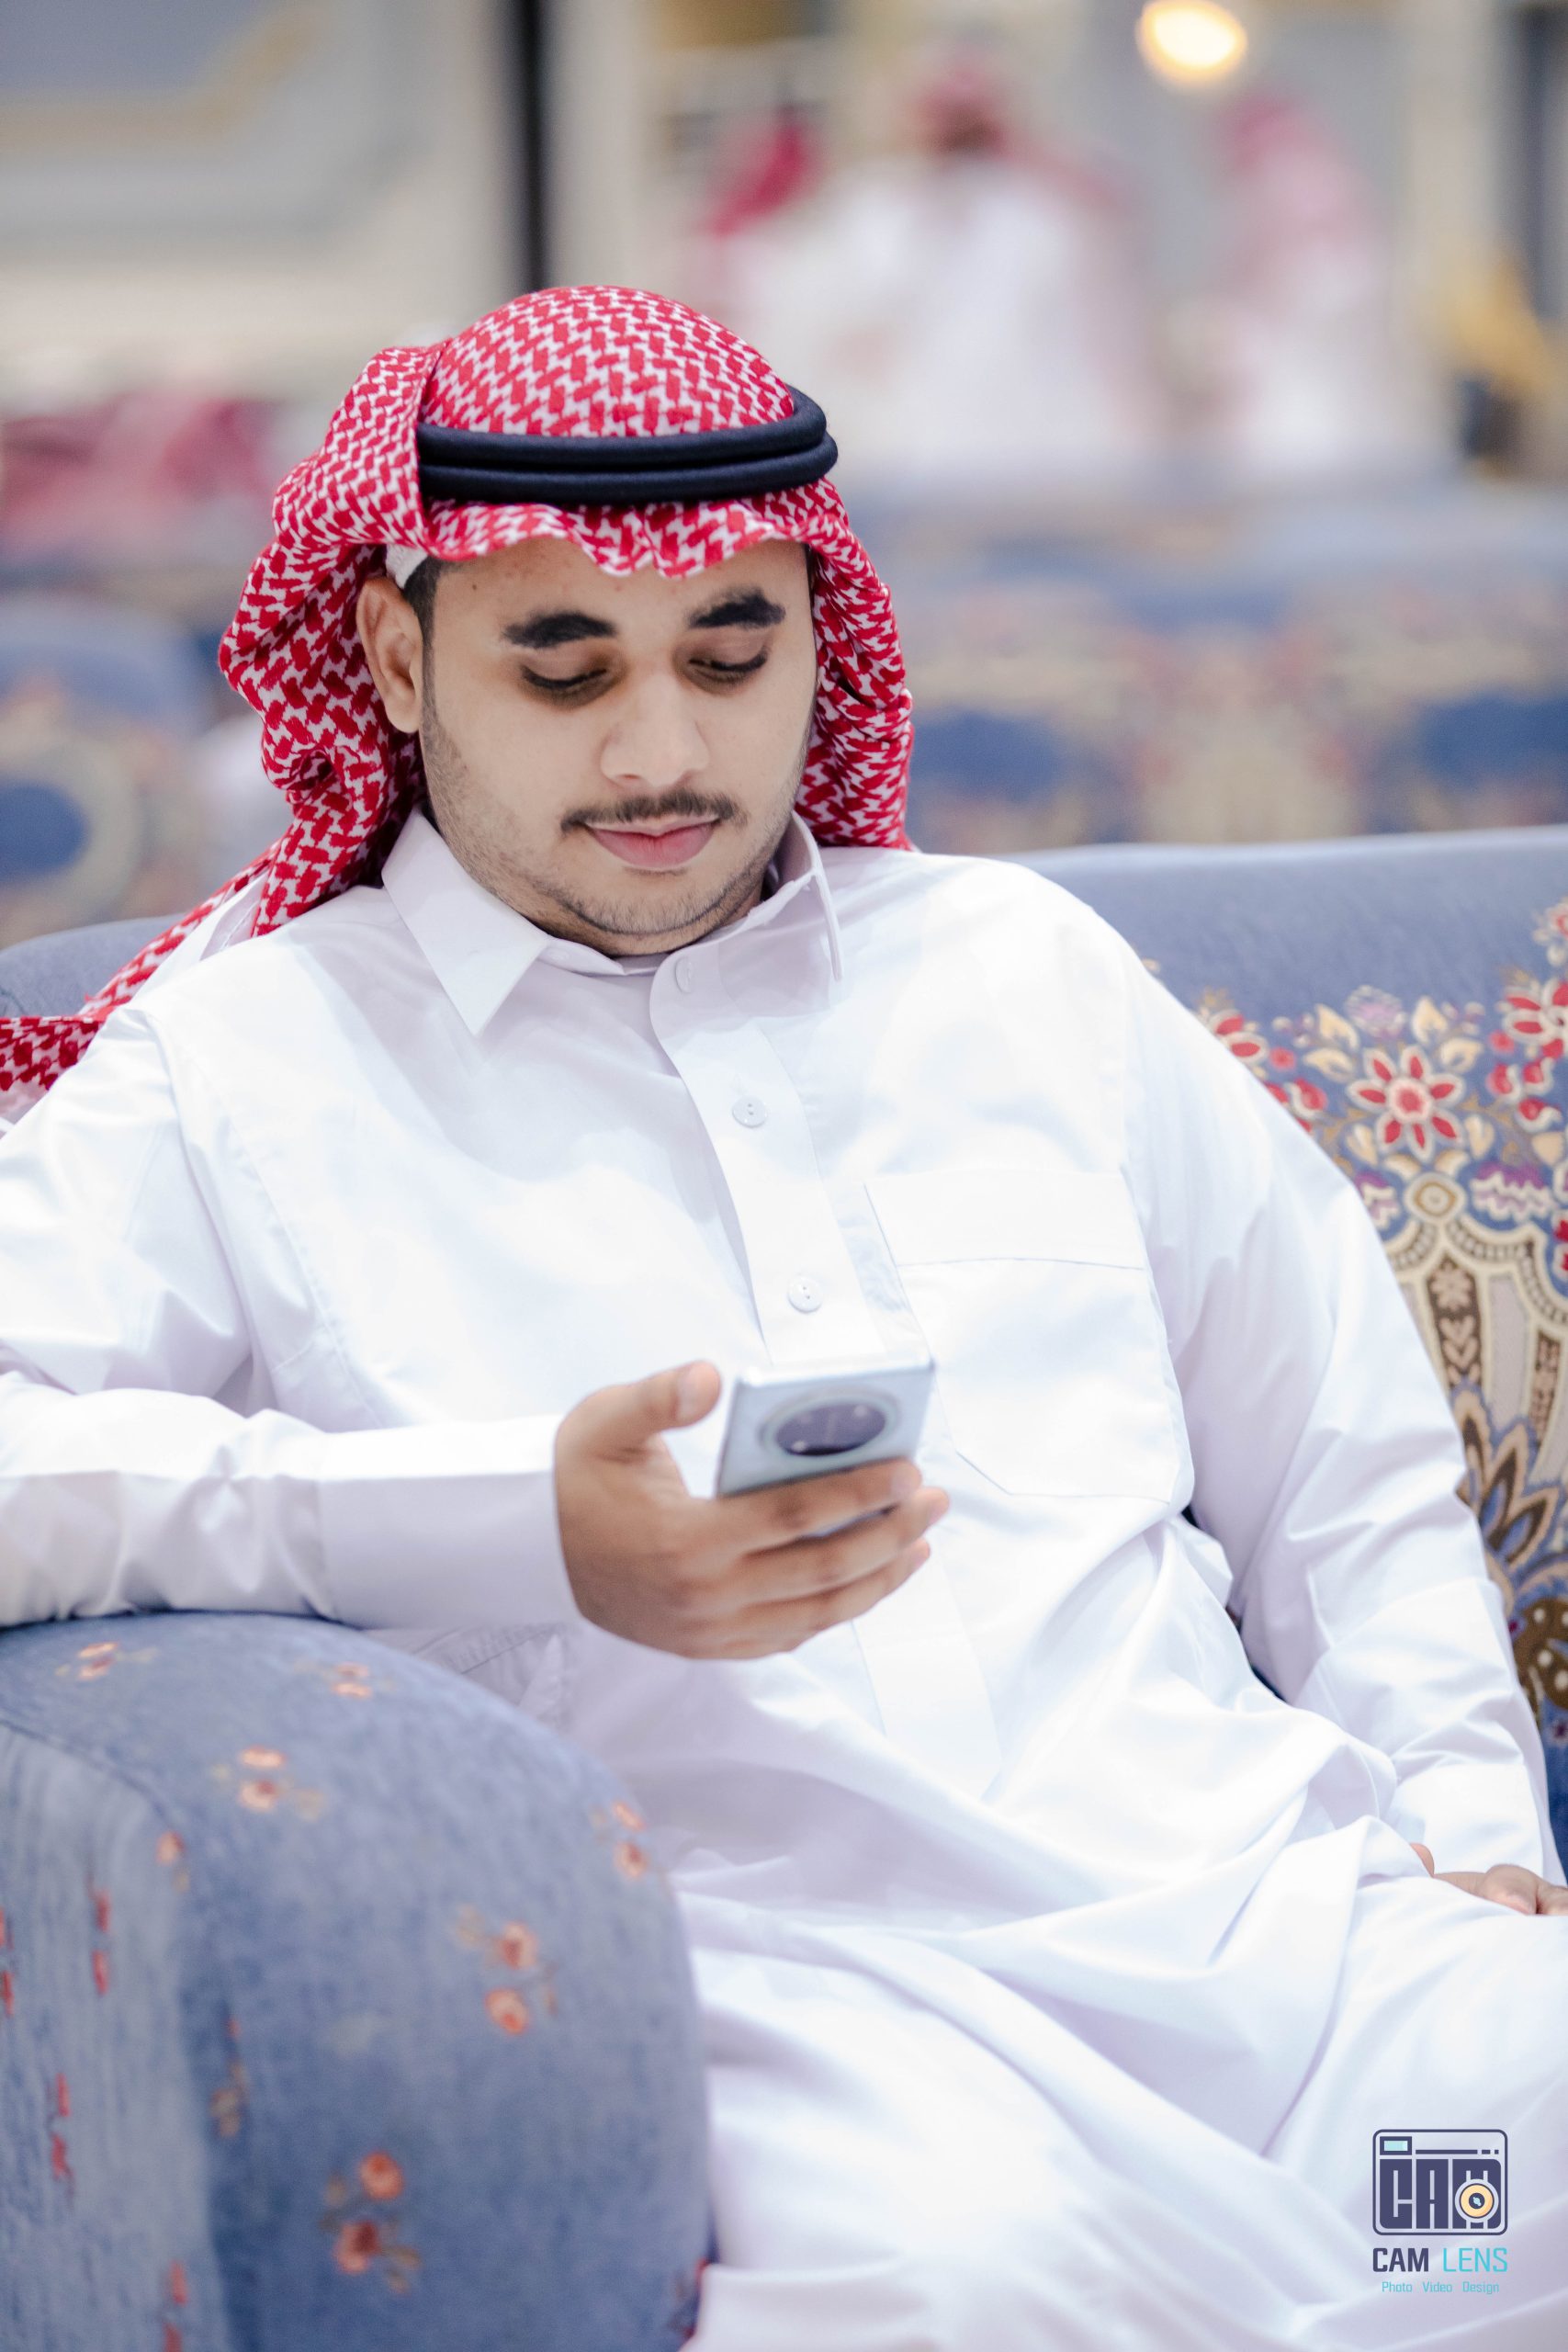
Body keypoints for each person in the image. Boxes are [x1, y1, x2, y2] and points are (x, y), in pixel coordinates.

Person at [0, 286, 1562, 2351]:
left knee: (1502, 2203)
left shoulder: (1013, 971)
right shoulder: (242, 1070)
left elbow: (1333, 1446)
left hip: (1303, 1975)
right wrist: (514, 1524)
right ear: (391, 652)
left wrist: (1462, 1819)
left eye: (729, 658)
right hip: (835, 2031)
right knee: (973, 2303)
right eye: (564, 667)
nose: (662, 751)